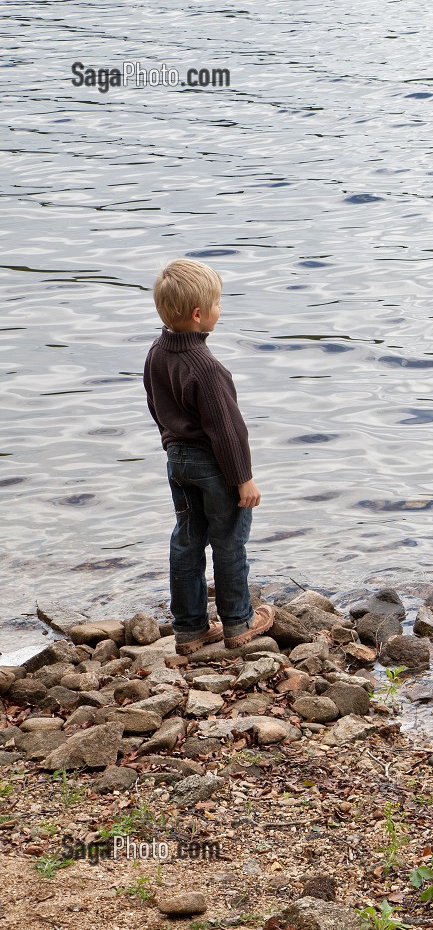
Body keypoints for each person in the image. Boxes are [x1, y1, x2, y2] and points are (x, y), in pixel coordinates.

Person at [143, 258, 274, 656]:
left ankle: (190, 629)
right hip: (214, 465)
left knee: (186, 541)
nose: (221, 310)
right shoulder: (207, 367)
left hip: (177, 461)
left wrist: (172, 446)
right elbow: (228, 431)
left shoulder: (156, 352)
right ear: (199, 314)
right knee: (229, 541)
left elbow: (155, 404)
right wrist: (243, 478)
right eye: (218, 304)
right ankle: (239, 622)